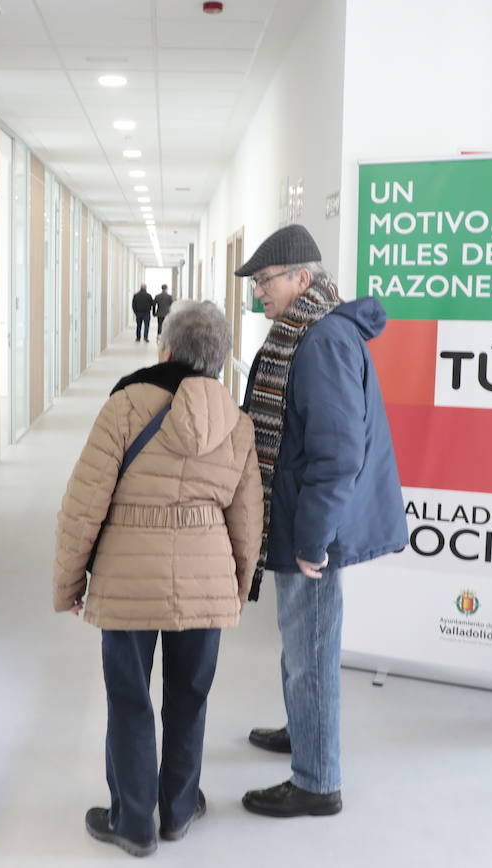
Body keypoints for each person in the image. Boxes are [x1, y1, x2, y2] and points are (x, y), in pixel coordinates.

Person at [53, 300, 263, 857]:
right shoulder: (237, 423)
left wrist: (70, 582)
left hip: (127, 579)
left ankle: (133, 820)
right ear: (219, 359)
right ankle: (178, 808)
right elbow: (247, 520)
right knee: (190, 697)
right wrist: (234, 590)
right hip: (207, 580)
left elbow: (83, 504)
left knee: (129, 698)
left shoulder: (125, 407)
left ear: (165, 349)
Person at [234, 224, 407, 819]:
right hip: (296, 518)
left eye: (265, 281)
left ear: (301, 278)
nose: (260, 293)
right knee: (299, 643)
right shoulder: (304, 332)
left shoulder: (323, 340)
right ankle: (303, 729)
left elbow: (338, 454)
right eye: (257, 283)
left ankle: (316, 781)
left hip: (312, 530)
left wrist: (311, 539)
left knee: (311, 646)